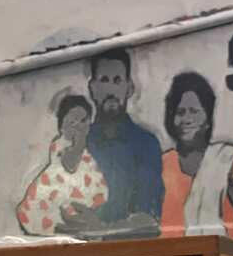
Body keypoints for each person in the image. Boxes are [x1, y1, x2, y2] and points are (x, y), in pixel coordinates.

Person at [56, 48, 163, 239]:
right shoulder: (78, 142)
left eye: (117, 81)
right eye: (104, 80)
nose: (111, 90)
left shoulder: (146, 144)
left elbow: (149, 220)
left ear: (129, 88)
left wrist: (99, 230)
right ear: (93, 88)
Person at [158, 71, 233, 245]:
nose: (186, 119)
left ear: (207, 117)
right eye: (180, 112)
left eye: (194, 111)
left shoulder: (231, 159)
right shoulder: (162, 164)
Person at [16, 94, 107, 236]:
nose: (78, 127)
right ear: (61, 127)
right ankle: (61, 228)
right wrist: (79, 144)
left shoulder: (89, 153)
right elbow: (68, 163)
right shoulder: (61, 146)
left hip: (81, 199)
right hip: (54, 197)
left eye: (83, 121)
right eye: (72, 122)